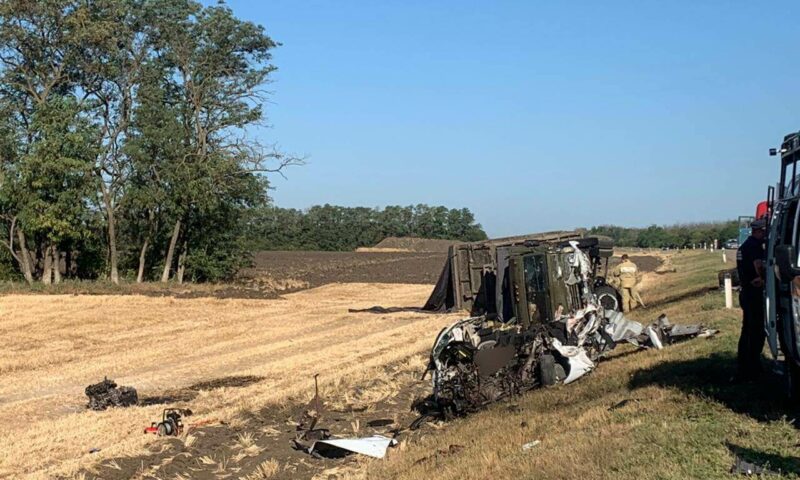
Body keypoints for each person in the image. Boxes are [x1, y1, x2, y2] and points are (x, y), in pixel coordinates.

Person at [735, 218, 767, 381]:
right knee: (756, 331)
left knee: (747, 330)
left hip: (746, 292)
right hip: (753, 294)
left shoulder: (744, 246)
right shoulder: (754, 247)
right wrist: (765, 279)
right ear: (760, 231)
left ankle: (745, 365)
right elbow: (759, 266)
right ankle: (751, 367)